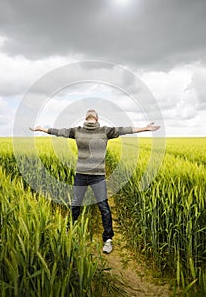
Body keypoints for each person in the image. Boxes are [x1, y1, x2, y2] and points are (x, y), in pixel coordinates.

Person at [29, 109, 160, 254]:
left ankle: (69, 232)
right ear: (97, 119)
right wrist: (145, 128)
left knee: (75, 204)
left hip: (82, 174)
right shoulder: (104, 131)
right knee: (103, 207)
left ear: (86, 118)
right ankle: (107, 240)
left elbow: (59, 131)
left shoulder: (77, 131)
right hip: (97, 175)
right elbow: (125, 130)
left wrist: (42, 129)